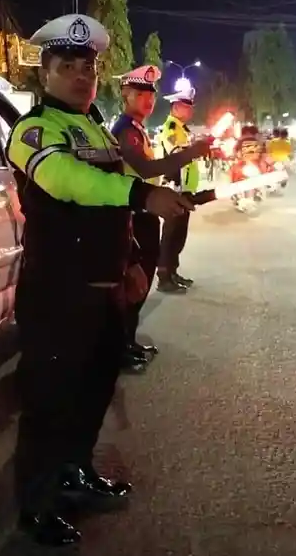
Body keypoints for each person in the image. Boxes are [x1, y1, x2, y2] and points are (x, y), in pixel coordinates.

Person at [5, 14, 195, 547]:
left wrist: (135, 261)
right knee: (49, 404)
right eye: (68, 66)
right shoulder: (34, 130)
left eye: (88, 67)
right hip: (58, 295)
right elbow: (68, 182)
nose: (82, 76)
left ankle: (75, 473)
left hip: (105, 291)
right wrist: (141, 196)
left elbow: (120, 188)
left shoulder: (92, 128)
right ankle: (36, 508)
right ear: (46, 74)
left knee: (92, 394)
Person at [112, 65, 211, 369]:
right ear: (125, 96)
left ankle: (128, 340)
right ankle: (120, 348)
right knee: (133, 284)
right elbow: (145, 169)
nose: (147, 101)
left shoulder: (138, 128)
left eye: (150, 95)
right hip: (133, 213)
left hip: (146, 212)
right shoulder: (125, 130)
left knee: (140, 284)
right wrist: (190, 153)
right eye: (140, 94)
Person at [155, 88, 202, 292]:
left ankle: (173, 271)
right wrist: (197, 149)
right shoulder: (171, 128)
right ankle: (164, 277)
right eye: (186, 107)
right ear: (176, 107)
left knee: (179, 234)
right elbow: (177, 153)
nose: (190, 111)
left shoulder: (183, 129)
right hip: (175, 187)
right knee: (170, 234)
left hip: (185, 188)